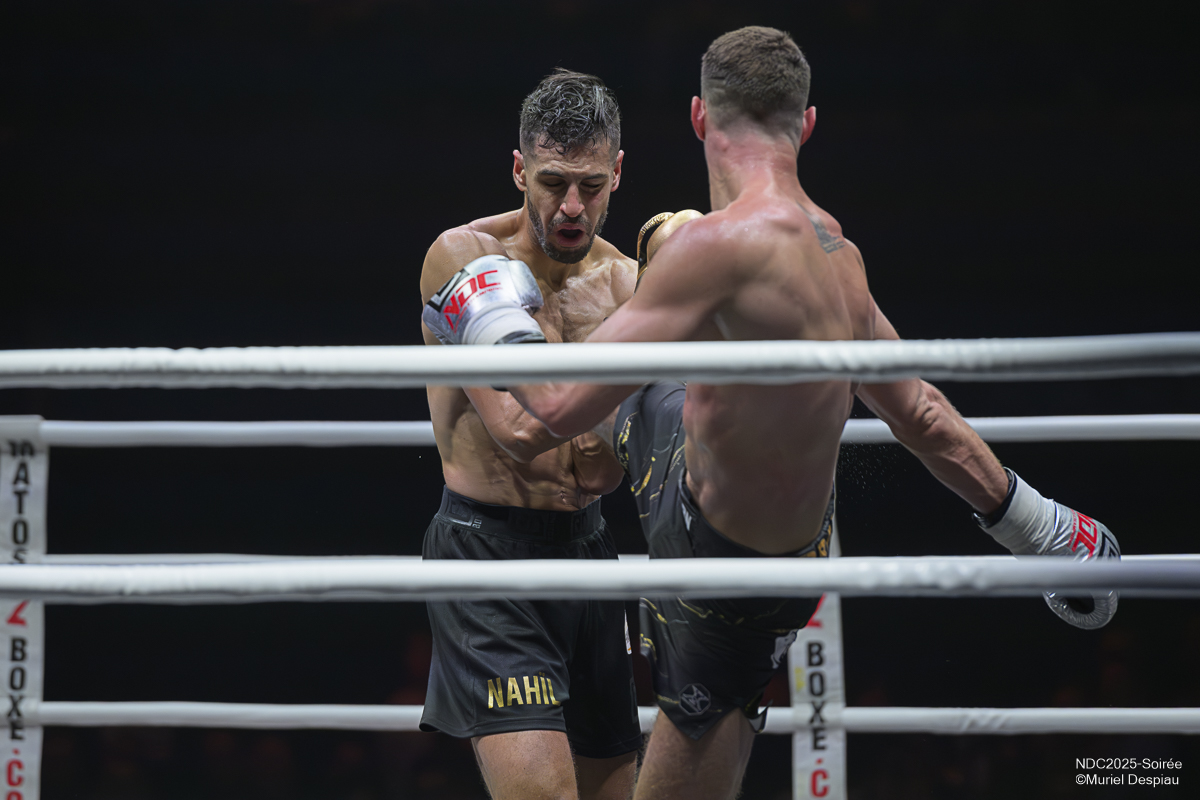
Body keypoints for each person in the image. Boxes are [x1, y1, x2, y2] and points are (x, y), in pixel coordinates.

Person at [429, 28, 1122, 800]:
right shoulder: (840, 256)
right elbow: (922, 413)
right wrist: (1043, 529)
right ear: (808, 124)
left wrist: (495, 325)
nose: (573, 204)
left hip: (712, 568)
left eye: (590, 185)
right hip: (787, 568)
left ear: (699, 118)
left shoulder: (711, 250)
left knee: (668, 255)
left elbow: (553, 409)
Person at [417, 69, 641, 800]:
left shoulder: (630, 284)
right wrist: (639, 365)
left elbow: (610, 470)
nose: (571, 206)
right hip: (488, 554)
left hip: (591, 552)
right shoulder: (460, 256)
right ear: (519, 170)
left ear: (616, 175)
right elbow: (515, 432)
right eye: (552, 183)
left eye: (590, 185)